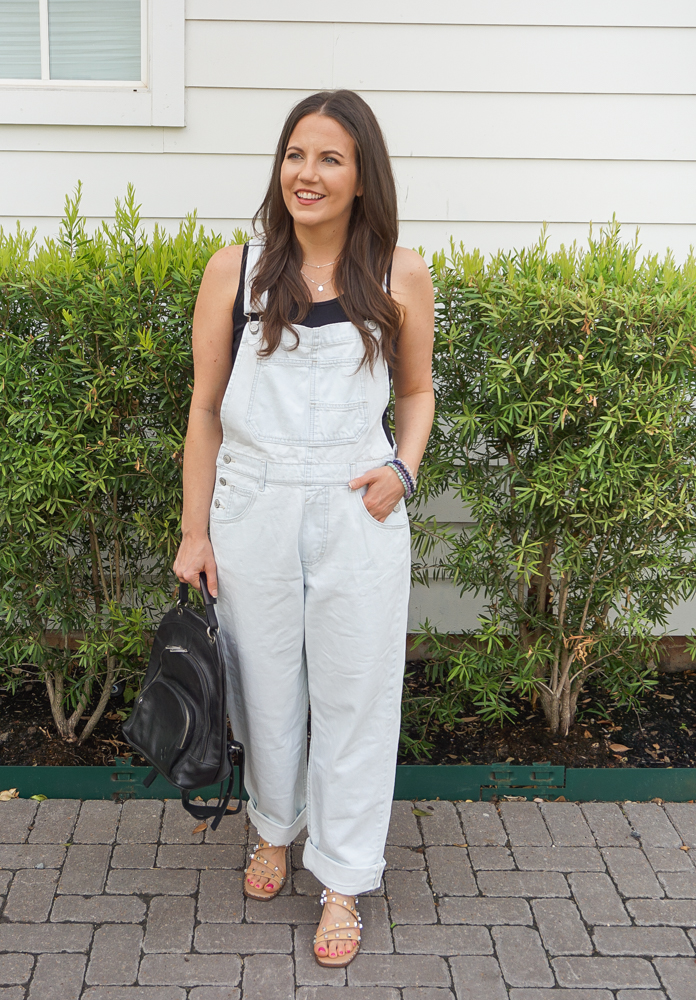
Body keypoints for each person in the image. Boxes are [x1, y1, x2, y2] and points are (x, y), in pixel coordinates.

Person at [173, 89, 435, 967]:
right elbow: (205, 410)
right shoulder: (235, 268)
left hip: (356, 508)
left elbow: (417, 391)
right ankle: (276, 830)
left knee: (357, 697)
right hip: (253, 506)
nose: (307, 174)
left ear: (363, 177)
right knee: (264, 689)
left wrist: (404, 469)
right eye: (295, 155)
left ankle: (344, 878)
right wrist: (195, 533)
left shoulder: (400, 270)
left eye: (330, 158)